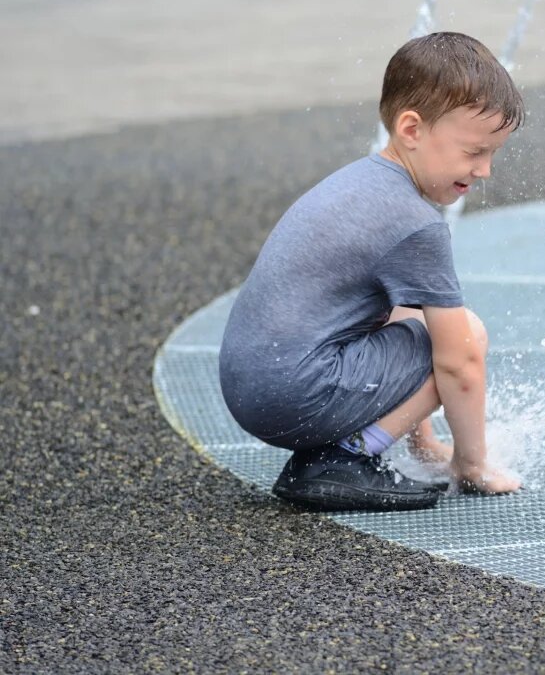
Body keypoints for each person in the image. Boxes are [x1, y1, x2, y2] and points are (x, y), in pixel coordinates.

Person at [219, 31, 522, 512]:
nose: (484, 170)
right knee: (469, 334)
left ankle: (350, 449)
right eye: (473, 152)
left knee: (414, 320)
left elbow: (397, 320)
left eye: (493, 154)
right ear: (412, 129)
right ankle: (347, 456)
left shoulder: (358, 182)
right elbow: (458, 362)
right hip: (294, 397)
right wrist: (472, 465)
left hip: (252, 388)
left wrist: (425, 445)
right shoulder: (415, 224)